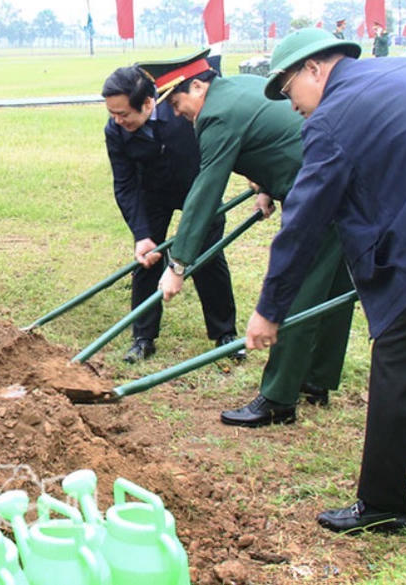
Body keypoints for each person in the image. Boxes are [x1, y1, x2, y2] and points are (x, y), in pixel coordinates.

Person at [251, 27, 406, 533]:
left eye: (287, 89)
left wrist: (270, 309)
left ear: (314, 69)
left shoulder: (334, 118)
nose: (290, 104)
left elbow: (302, 222)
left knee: (400, 361)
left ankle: (383, 504)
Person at [143, 48, 356, 428]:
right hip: (339, 183)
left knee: (299, 292)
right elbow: (273, 139)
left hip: (317, 194)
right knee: (329, 288)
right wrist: (266, 185)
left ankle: (277, 399)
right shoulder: (239, 87)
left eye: (176, 102)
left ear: (196, 85)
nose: (176, 112)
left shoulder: (216, 114)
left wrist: (178, 264)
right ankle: (316, 380)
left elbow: (206, 190)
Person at [100, 66, 238, 363]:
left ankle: (225, 334)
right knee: (147, 261)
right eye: (112, 113)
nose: (117, 120)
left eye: (123, 114)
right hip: (152, 194)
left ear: (148, 103)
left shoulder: (182, 113)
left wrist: (206, 203)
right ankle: (143, 339)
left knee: (207, 257)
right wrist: (141, 235)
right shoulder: (115, 131)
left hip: (197, 190)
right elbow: (124, 184)